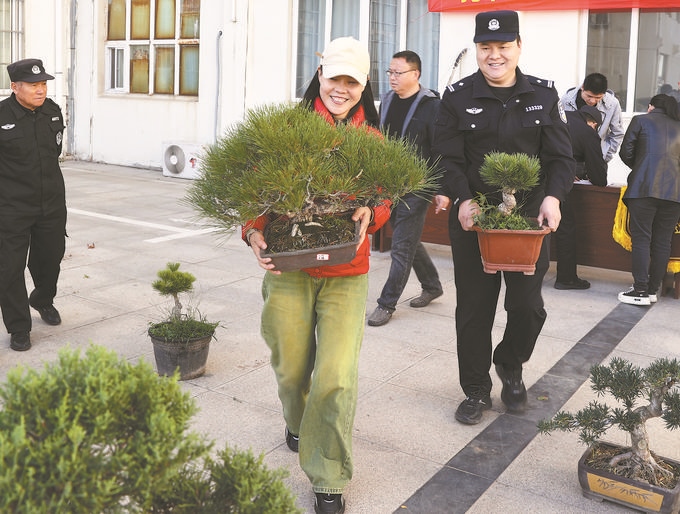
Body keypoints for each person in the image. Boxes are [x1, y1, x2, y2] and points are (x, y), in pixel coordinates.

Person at [242, 37, 391, 514]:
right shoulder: (285, 129)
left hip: (347, 269)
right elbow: (252, 191)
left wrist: (374, 213)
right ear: (319, 74)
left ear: (364, 84)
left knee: (337, 375)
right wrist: (253, 233)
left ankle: (328, 476)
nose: (341, 89)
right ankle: (298, 420)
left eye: (352, 81)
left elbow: (385, 198)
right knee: (290, 366)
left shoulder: (374, 140)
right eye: (334, 78)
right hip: (289, 265)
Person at [432, 10, 575, 425]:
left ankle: (510, 363)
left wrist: (553, 198)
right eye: (485, 47)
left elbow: (560, 158)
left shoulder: (544, 96)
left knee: (528, 306)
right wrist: (461, 198)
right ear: (477, 49)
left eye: (503, 46)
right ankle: (476, 390)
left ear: (518, 47)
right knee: (474, 309)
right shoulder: (457, 97)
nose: (494, 55)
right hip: (474, 219)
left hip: (528, 221)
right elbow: (445, 157)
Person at [367, 50, 443, 327]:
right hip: (391, 181)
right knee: (406, 238)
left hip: (419, 183)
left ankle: (386, 304)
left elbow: (439, 148)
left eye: (398, 73)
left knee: (400, 247)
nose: (392, 78)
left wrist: (440, 188)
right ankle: (433, 285)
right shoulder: (386, 100)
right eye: (389, 72)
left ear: (416, 74)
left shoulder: (432, 106)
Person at [0, 58, 66, 352]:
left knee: (50, 258)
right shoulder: (1, 116)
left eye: (43, 84)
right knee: (9, 268)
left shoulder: (52, 111)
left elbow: (55, 153)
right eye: (34, 85)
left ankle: (42, 299)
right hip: (11, 206)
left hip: (51, 202)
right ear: (15, 87)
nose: (41, 90)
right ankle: (18, 327)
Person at [617, 93, 680, 306]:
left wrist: (642, 165)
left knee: (642, 239)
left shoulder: (641, 120)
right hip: (675, 194)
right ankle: (653, 290)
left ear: (651, 106)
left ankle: (640, 290)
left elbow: (626, 152)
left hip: (643, 188)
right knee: (663, 240)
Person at [554, 105, 608, 290]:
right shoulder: (587, 132)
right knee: (566, 228)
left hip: (532, 177)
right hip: (558, 184)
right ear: (592, 123)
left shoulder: (559, 117)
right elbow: (599, 176)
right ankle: (566, 278)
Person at [561, 72, 624, 163]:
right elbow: (560, 131)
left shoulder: (612, 104)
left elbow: (617, 133)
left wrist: (604, 157)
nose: (592, 101)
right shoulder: (566, 100)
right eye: (589, 96)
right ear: (582, 87)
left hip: (597, 158)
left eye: (598, 97)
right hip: (570, 159)